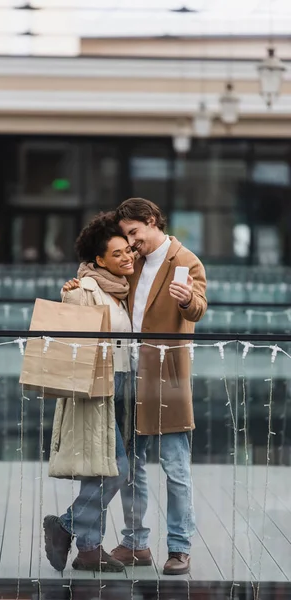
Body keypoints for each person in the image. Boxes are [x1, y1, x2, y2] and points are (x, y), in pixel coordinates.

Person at [109, 197, 207, 576]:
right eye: (126, 237)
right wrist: (80, 278)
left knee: (176, 467)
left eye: (134, 233)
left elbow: (198, 306)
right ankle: (135, 543)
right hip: (131, 377)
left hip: (167, 377)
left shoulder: (185, 260)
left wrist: (186, 303)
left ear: (152, 222)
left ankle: (180, 548)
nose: (131, 242)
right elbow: (108, 281)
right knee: (131, 467)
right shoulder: (134, 263)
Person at [43, 212, 146, 573]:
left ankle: (88, 551)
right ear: (99, 260)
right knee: (116, 469)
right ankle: (67, 525)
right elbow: (68, 335)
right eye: (116, 254)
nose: (127, 258)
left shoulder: (120, 291)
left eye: (128, 251)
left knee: (97, 469)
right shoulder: (87, 289)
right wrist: (67, 296)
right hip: (94, 388)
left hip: (120, 386)